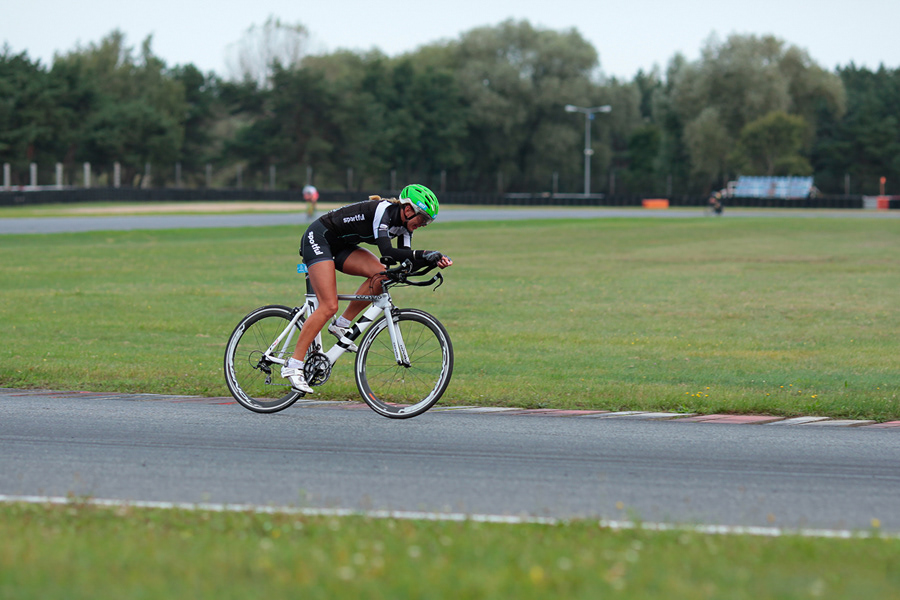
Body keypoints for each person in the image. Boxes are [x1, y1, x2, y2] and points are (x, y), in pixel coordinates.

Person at [283, 184, 453, 393]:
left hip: (341, 246)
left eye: (428, 221)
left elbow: (404, 261)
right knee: (328, 306)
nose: (424, 224)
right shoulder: (383, 211)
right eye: (423, 218)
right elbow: (387, 252)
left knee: (381, 276)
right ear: (409, 210)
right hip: (319, 238)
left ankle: (341, 325)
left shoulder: (404, 227)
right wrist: (424, 253)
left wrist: (433, 261)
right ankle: (294, 365)